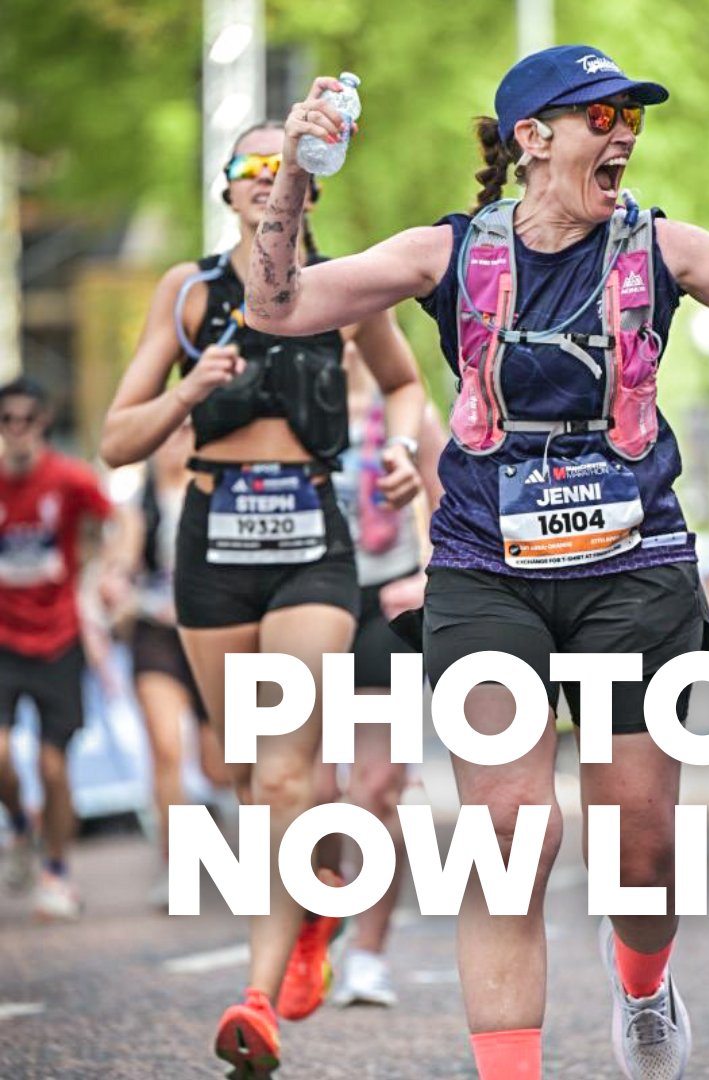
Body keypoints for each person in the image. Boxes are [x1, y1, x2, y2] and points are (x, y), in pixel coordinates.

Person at [247, 46, 709, 1080]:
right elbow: (277, 309)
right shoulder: (448, 253)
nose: (624, 134)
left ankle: (643, 982)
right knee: (508, 835)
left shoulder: (659, 246)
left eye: (633, 117)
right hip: (486, 569)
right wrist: (295, 180)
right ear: (533, 138)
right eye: (601, 116)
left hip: (633, 569)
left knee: (640, 851)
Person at [99, 121, 424, 1079]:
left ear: (310, 190)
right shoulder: (190, 292)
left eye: (286, 167)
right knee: (243, 773)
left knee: (285, 778)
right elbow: (116, 441)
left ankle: (255, 998)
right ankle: (313, 906)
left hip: (311, 546)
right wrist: (187, 390)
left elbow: (404, 385)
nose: (266, 179)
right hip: (213, 542)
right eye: (249, 165)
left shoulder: (344, 288)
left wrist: (402, 451)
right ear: (228, 187)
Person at [276, 343, 445, 1019]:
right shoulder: (287, 403)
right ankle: (321, 916)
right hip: (308, 602)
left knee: (375, 789)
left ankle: (369, 956)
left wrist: (429, 575)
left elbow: (448, 501)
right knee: (315, 792)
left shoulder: (406, 408)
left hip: (385, 604)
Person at [98, 421, 232, 909]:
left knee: (219, 767)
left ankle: (216, 813)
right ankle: (176, 865)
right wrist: (115, 579)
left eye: (184, 432)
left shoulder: (219, 491)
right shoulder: (138, 504)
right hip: (157, 636)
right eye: (166, 435)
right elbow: (120, 557)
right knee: (165, 748)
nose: (174, 443)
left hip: (213, 634)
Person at [0, 375, 113, 920]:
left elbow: (121, 522)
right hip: (3, 638)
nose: (17, 430)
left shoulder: (68, 478)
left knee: (52, 766)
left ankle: (57, 871)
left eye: (27, 419)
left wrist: (109, 573)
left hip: (59, 637)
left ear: (43, 421)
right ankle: (20, 825)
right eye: (7, 420)